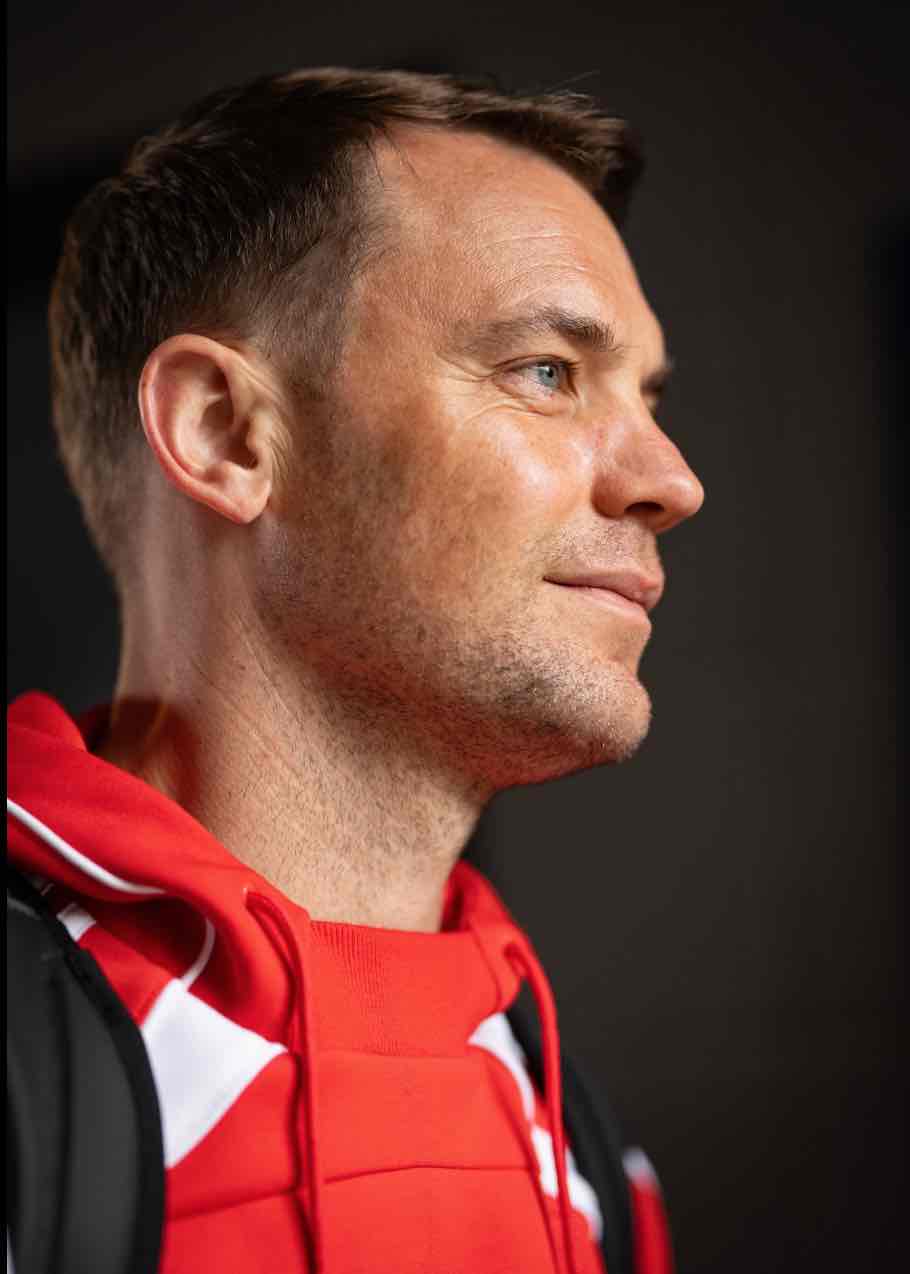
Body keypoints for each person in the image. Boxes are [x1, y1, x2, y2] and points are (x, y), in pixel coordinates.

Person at [7, 67, 703, 1274]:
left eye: (644, 397)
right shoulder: (34, 1087)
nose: (672, 482)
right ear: (226, 432)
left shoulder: (585, 1149)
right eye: (547, 371)